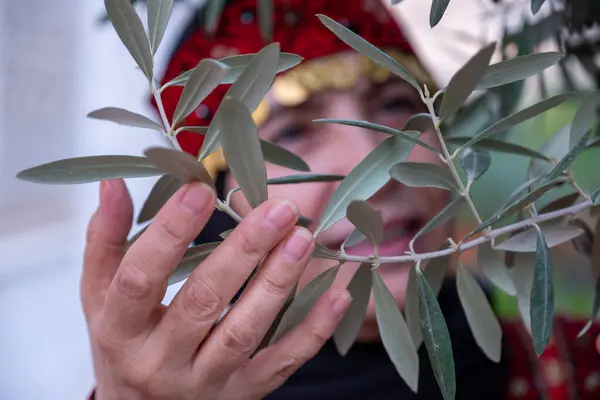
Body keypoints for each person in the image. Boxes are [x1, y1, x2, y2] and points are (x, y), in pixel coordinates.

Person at [82, 0, 600, 399]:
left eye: (397, 104)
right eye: (290, 133)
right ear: (216, 209)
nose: (375, 166)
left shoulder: (580, 369)